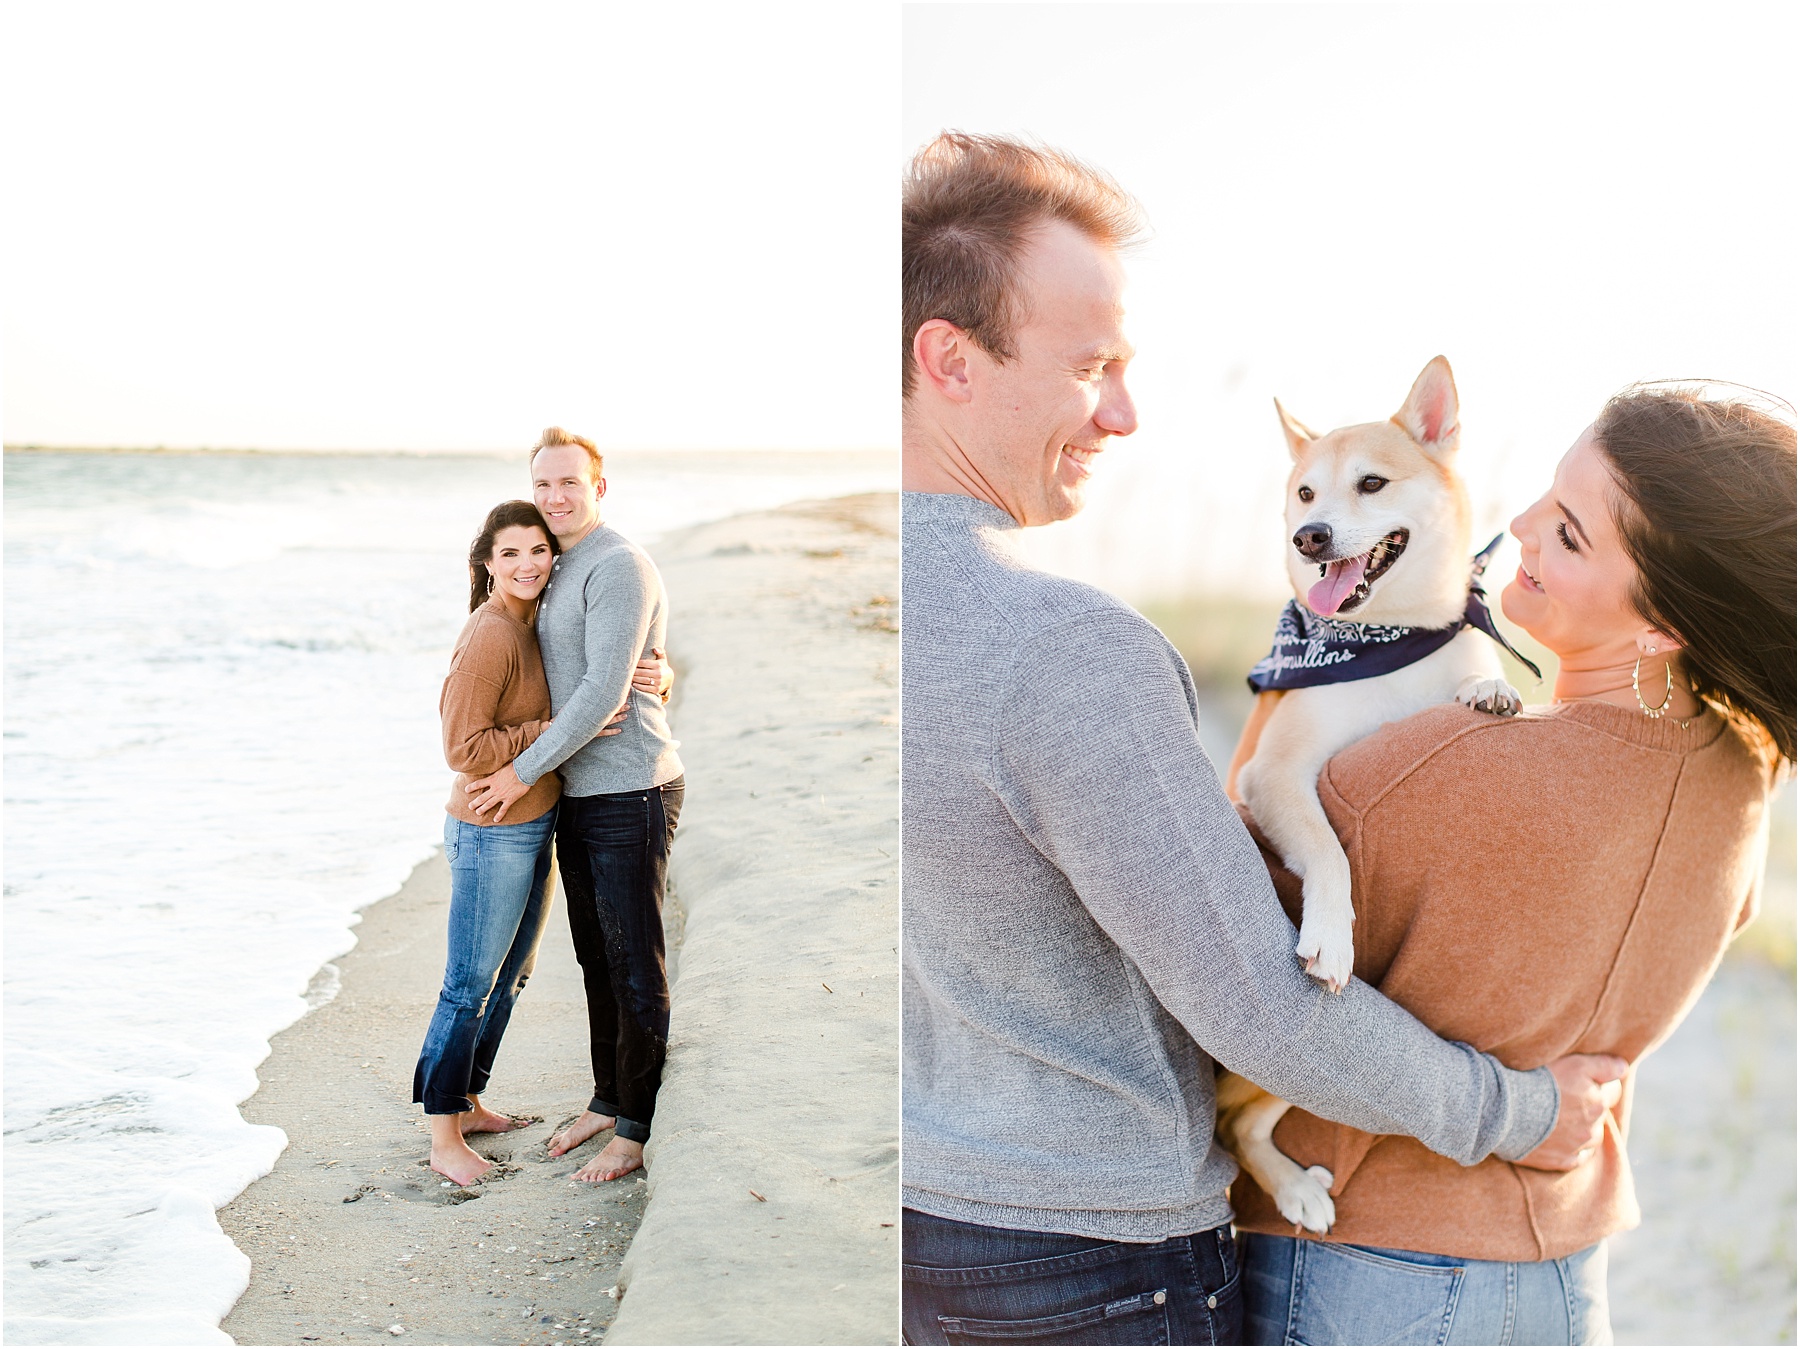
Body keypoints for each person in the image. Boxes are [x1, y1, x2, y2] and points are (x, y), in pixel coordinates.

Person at [898, 130, 1623, 1347]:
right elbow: (1263, 1006)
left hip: (923, 1216)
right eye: (1094, 366)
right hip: (1093, 1263)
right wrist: (1518, 1111)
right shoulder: (1068, 647)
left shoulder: (874, 607)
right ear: (949, 360)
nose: (1126, 414)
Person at [1232, 386, 1795, 1345]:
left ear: (1662, 625)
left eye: (1569, 537)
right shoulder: (1741, 780)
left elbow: (1244, 999)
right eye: (1545, 495)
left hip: (1364, 1270)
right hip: (1570, 1282)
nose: (1520, 528)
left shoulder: (1418, 770)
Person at [415, 500, 669, 1185]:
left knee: (512, 975)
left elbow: (605, 667)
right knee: (468, 982)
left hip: (536, 821)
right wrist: (551, 728)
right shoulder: (492, 633)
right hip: (489, 831)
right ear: (486, 564)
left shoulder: (542, 617)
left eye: (538, 550)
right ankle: (443, 1133)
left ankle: (467, 1101)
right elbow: (461, 748)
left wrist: (657, 675)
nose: (527, 563)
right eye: (510, 554)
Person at [465, 428, 685, 1185]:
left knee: (634, 961)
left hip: (631, 786)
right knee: (596, 956)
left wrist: (518, 772)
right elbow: (589, 671)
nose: (556, 497)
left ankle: (635, 1125)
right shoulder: (557, 564)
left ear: (599, 486)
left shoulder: (618, 562)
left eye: (570, 483)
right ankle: (605, 1095)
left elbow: (601, 691)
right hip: (582, 791)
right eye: (545, 484)